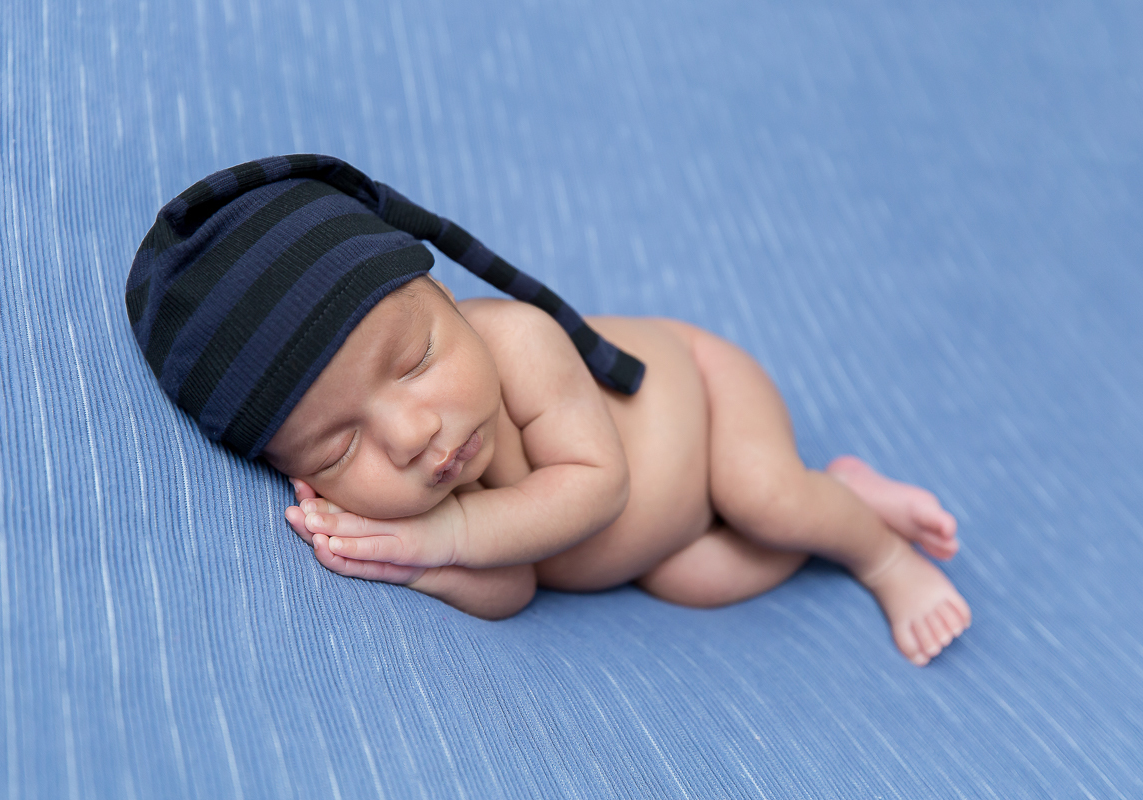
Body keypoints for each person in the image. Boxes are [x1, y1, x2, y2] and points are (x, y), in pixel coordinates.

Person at [127, 155, 970, 667]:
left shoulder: (518, 344)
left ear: (445, 295)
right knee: (699, 581)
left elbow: (597, 487)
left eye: (416, 359)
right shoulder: (418, 483)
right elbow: (515, 585)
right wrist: (413, 559)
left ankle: (880, 553)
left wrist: (446, 533)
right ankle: (849, 490)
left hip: (706, 395)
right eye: (340, 445)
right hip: (663, 546)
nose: (412, 435)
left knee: (764, 495)